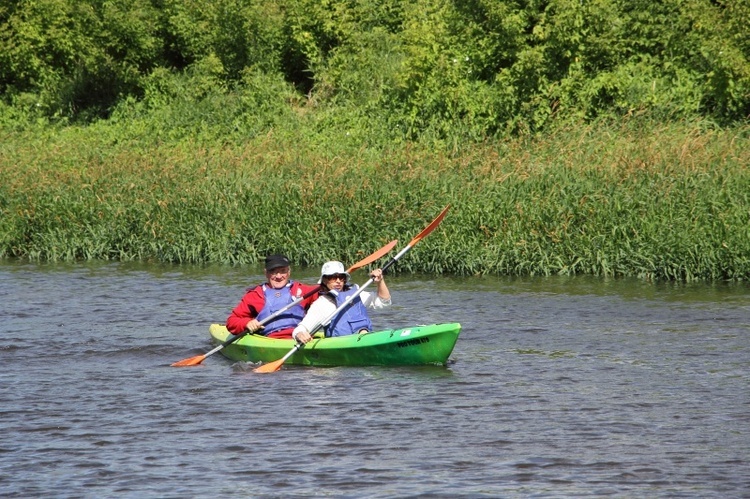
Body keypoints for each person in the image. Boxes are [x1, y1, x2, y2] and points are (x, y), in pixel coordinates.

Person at [292, 261, 391, 343]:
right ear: (325, 280)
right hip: (342, 346)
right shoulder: (323, 304)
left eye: (341, 277)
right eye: (333, 277)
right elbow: (301, 329)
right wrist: (300, 334)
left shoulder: (355, 294)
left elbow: (384, 302)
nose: (338, 281)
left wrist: (380, 282)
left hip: (365, 339)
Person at [226, 254, 319, 339]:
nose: (278, 276)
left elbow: (325, 294)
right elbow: (232, 321)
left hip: (302, 337)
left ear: (289, 272)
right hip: (270, 340)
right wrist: (247, 323)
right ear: (266, 273)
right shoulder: (255, 295)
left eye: (283, 271)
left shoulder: (304, 291)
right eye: (273, 272)